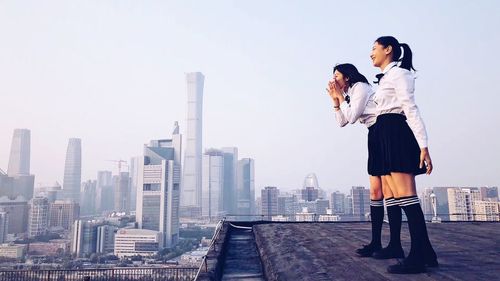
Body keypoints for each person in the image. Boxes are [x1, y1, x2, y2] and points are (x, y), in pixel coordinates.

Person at [370, 36, 438, 274]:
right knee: (399, 196)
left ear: (388, 50)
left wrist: (424, 145)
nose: (371, 53)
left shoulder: (400, 74)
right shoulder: (387, 78)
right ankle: (426, 252)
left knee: (407, 196)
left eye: (374, 48)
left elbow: (410, 108)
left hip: (396, 131)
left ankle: (418, 256)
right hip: (384, 132)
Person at [326, 63, 402, 258]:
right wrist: (336, 101)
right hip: (373, 134)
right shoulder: (351, 92)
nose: (334, 80)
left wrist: (341, 98)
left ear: (347, 77)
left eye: (337, 76)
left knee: (389, 190)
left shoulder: (360, 87)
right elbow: (341, 121)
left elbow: (351, 117)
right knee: (376, 191)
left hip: (382, 131)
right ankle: (376, 242)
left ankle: (395, 244)